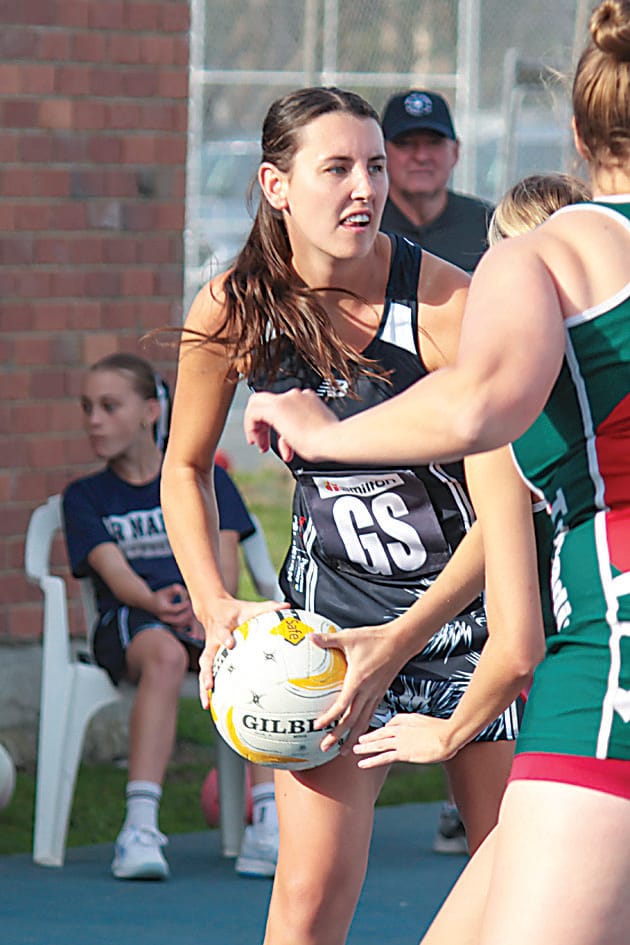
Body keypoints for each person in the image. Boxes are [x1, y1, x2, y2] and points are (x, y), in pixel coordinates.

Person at [244, 3, 630, 942]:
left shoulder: (537, 259)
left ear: (577, 132)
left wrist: (323, 431)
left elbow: (475, 407)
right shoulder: (243, 299)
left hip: (605, 652)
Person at [161, 86, 524, 945]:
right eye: (336, 168)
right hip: (329, 624)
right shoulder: (231, 308)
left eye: (373, 165)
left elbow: (510, 520)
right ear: (276, 185)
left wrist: (404, 640)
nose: (365, 187)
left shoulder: (450, 309)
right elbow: (182, 467)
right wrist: (214, 606)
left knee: (514, 877)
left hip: (465, 619)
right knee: (310, 897)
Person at [62, 353, 278, 881]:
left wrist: (212, 609)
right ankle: (139, 826)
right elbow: (114, 576)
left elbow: (225, 560)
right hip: (132, 624)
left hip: (205, 618)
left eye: (109, 406)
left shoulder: (210, 482)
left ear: (150, 412)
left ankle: (268, 820)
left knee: (256, 656)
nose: (93, 419)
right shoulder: (84, 497)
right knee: (160, 650)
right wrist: (159, 604)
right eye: (87, 407)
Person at [380, 89, 493, 272]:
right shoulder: (364, 224)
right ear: (380, 152)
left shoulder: (487, 226)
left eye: (434, 143)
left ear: (455, 151)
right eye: (406, 143)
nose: (421, 156)